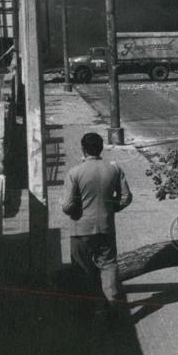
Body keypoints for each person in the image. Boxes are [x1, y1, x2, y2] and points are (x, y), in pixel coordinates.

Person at [62, 132, 133, 324]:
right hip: (106, 227)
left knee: (81, 269)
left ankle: (86, 311)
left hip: (81, 230)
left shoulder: (75, 172)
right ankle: (112, 306)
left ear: (83, 149)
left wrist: (77, 209)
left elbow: (67, 206)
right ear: (101, 148)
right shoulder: (114, 169)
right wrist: (111, 208)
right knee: (108, 265)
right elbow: (126, 197)